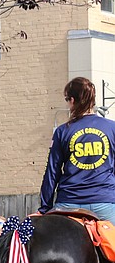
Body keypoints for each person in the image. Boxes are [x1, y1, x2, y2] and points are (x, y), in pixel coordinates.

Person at [40, 77, 115, 222]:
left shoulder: (62, 131)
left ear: (72, 100)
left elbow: (52, 171)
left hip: (68, 203)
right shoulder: (112, 128)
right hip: (104, 202)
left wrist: (45, 207)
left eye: (67, 100)